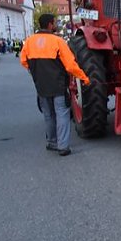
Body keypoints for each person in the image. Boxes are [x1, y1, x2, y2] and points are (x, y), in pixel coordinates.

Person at [19, 14, 91, 156]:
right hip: (58, 85)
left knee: (48, 114)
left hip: (41, 86)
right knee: (62, 114)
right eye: (55, 22)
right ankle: (63, 146)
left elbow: (23, 61)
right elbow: (70, 65)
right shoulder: (57, 42)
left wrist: (35, 72)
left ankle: (52, 142)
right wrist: (84, 78)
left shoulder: (29, 42)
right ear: (50, 25)